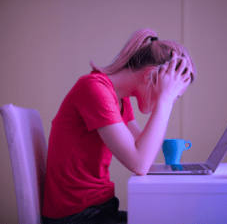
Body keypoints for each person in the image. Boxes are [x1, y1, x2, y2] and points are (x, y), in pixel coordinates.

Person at [42, 29, 197, 224]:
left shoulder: (120, 100)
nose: (172, 100)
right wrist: (164, 100)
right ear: (151, 76)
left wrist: (165, 99)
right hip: (75, 217)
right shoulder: (94, 89)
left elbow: (145, 155)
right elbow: (139, 163)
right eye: (174, 93)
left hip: (100, 209)